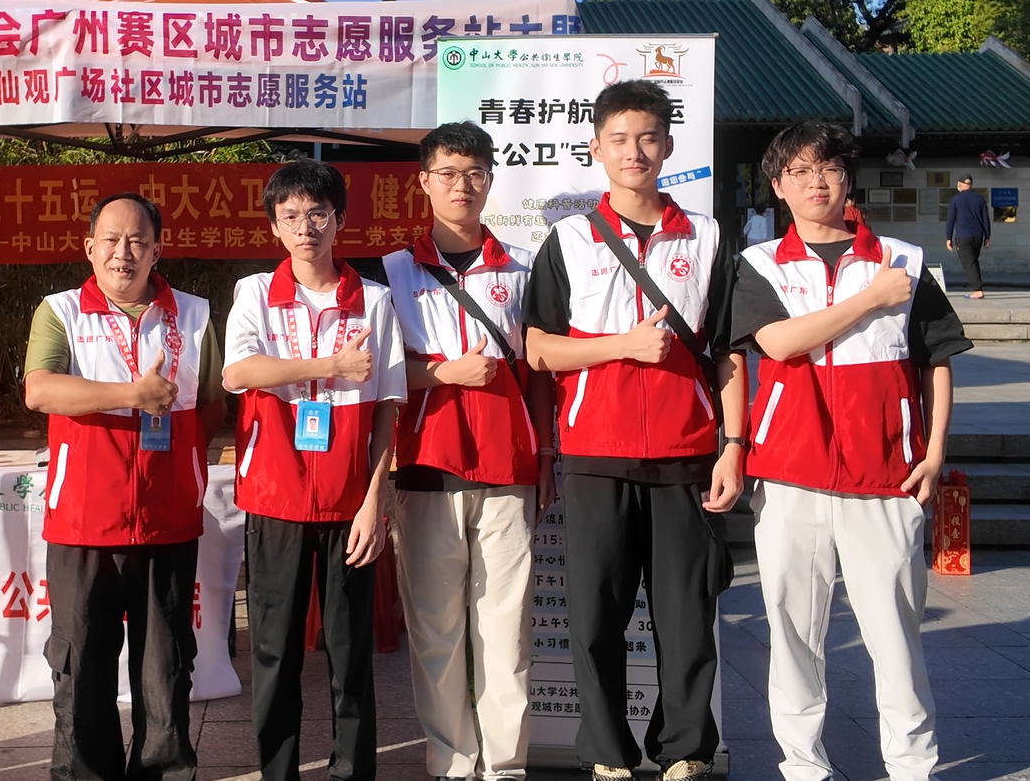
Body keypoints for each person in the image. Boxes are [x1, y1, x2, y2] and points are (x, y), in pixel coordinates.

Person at [520, 79, 747, 781]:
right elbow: (537, 348)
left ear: (668, 146)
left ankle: (687, 748)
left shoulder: (707, 237)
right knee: (596, 616)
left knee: (686, 615)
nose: (634, 151)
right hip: (595, 453)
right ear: (596, 148)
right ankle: (607, 755)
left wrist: (733, 446)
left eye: (647, 137)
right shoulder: (570, 239)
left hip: (686, 453)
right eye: (618, 139)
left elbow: (728, 352)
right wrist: (622, 347)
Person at [732, 121, 971, 781]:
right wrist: (870, 300)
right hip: (789, 474)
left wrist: (933, 451)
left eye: (829, 168)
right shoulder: (759, 264)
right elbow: (779, 343)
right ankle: (804, 767)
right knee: (793, 634)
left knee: (895, 636)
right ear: (778, 185)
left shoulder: (903, 260)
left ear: (847, 178)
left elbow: (938, 360)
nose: (817, 182)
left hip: (887, 474)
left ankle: (913, 767)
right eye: (800, 171)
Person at [22, 191, 224, 781]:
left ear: (158, 250)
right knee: (81, 668)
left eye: (138, 240)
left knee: (165, 670)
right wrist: (132, 395)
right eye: (111, 240)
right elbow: (40, 390)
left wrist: (177, 468)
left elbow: (211, 407)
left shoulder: (195, 315)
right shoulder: (60, 311)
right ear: (89, 247)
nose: (123, 252)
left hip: (167, 523)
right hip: (82, 524)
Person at [381, 122, 556, 781]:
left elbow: (539, 374)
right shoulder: (391, 272)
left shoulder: (523, 267)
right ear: (424, 182)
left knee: (506, 632)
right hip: (425, 468)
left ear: (490, 180)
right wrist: (441, 374)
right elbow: (375, 372)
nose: (462, 186)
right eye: (448, 174)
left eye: (475, 173)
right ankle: (452, 765)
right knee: (436, 634)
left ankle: (505, 767)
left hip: (509, 469)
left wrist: (545, 458)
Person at [224, 159, 407, 781]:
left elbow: (387, 408)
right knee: (273, 652)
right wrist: (329, 365)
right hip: (273, 498)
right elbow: (238, 373)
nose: (306, 227)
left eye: (318, 214)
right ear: (275, 226)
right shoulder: (255, 293)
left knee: (350, 655)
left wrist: (374, 502)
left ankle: (351, 771)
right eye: (292, 216)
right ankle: (278, 772)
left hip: (349, 504)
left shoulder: (373, 300)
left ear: (340, 220)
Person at [943, 175, 989, 299]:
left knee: (968, 263)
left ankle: (977, 290)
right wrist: (987, 236)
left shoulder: (955, 199)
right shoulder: (980, 199)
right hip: (978, 236)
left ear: (960, 184)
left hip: (963, 236)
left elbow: (951, 220)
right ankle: (978, 288)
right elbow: (985, 219)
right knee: (974, 262)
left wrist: (948, 237)